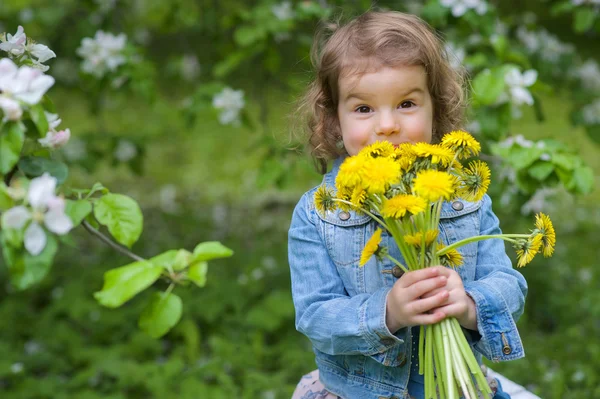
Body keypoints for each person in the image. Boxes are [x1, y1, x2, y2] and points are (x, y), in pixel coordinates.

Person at [288, 10, 526, 399]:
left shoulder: (464, 197)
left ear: (436, 109)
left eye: (406, 104)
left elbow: (509, 285)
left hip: (459, 386)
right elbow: (315, 315)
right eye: (364, 109)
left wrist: (467, 303)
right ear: (335, 120)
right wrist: (388, 313)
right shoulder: (319, 215)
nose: (387, 126)